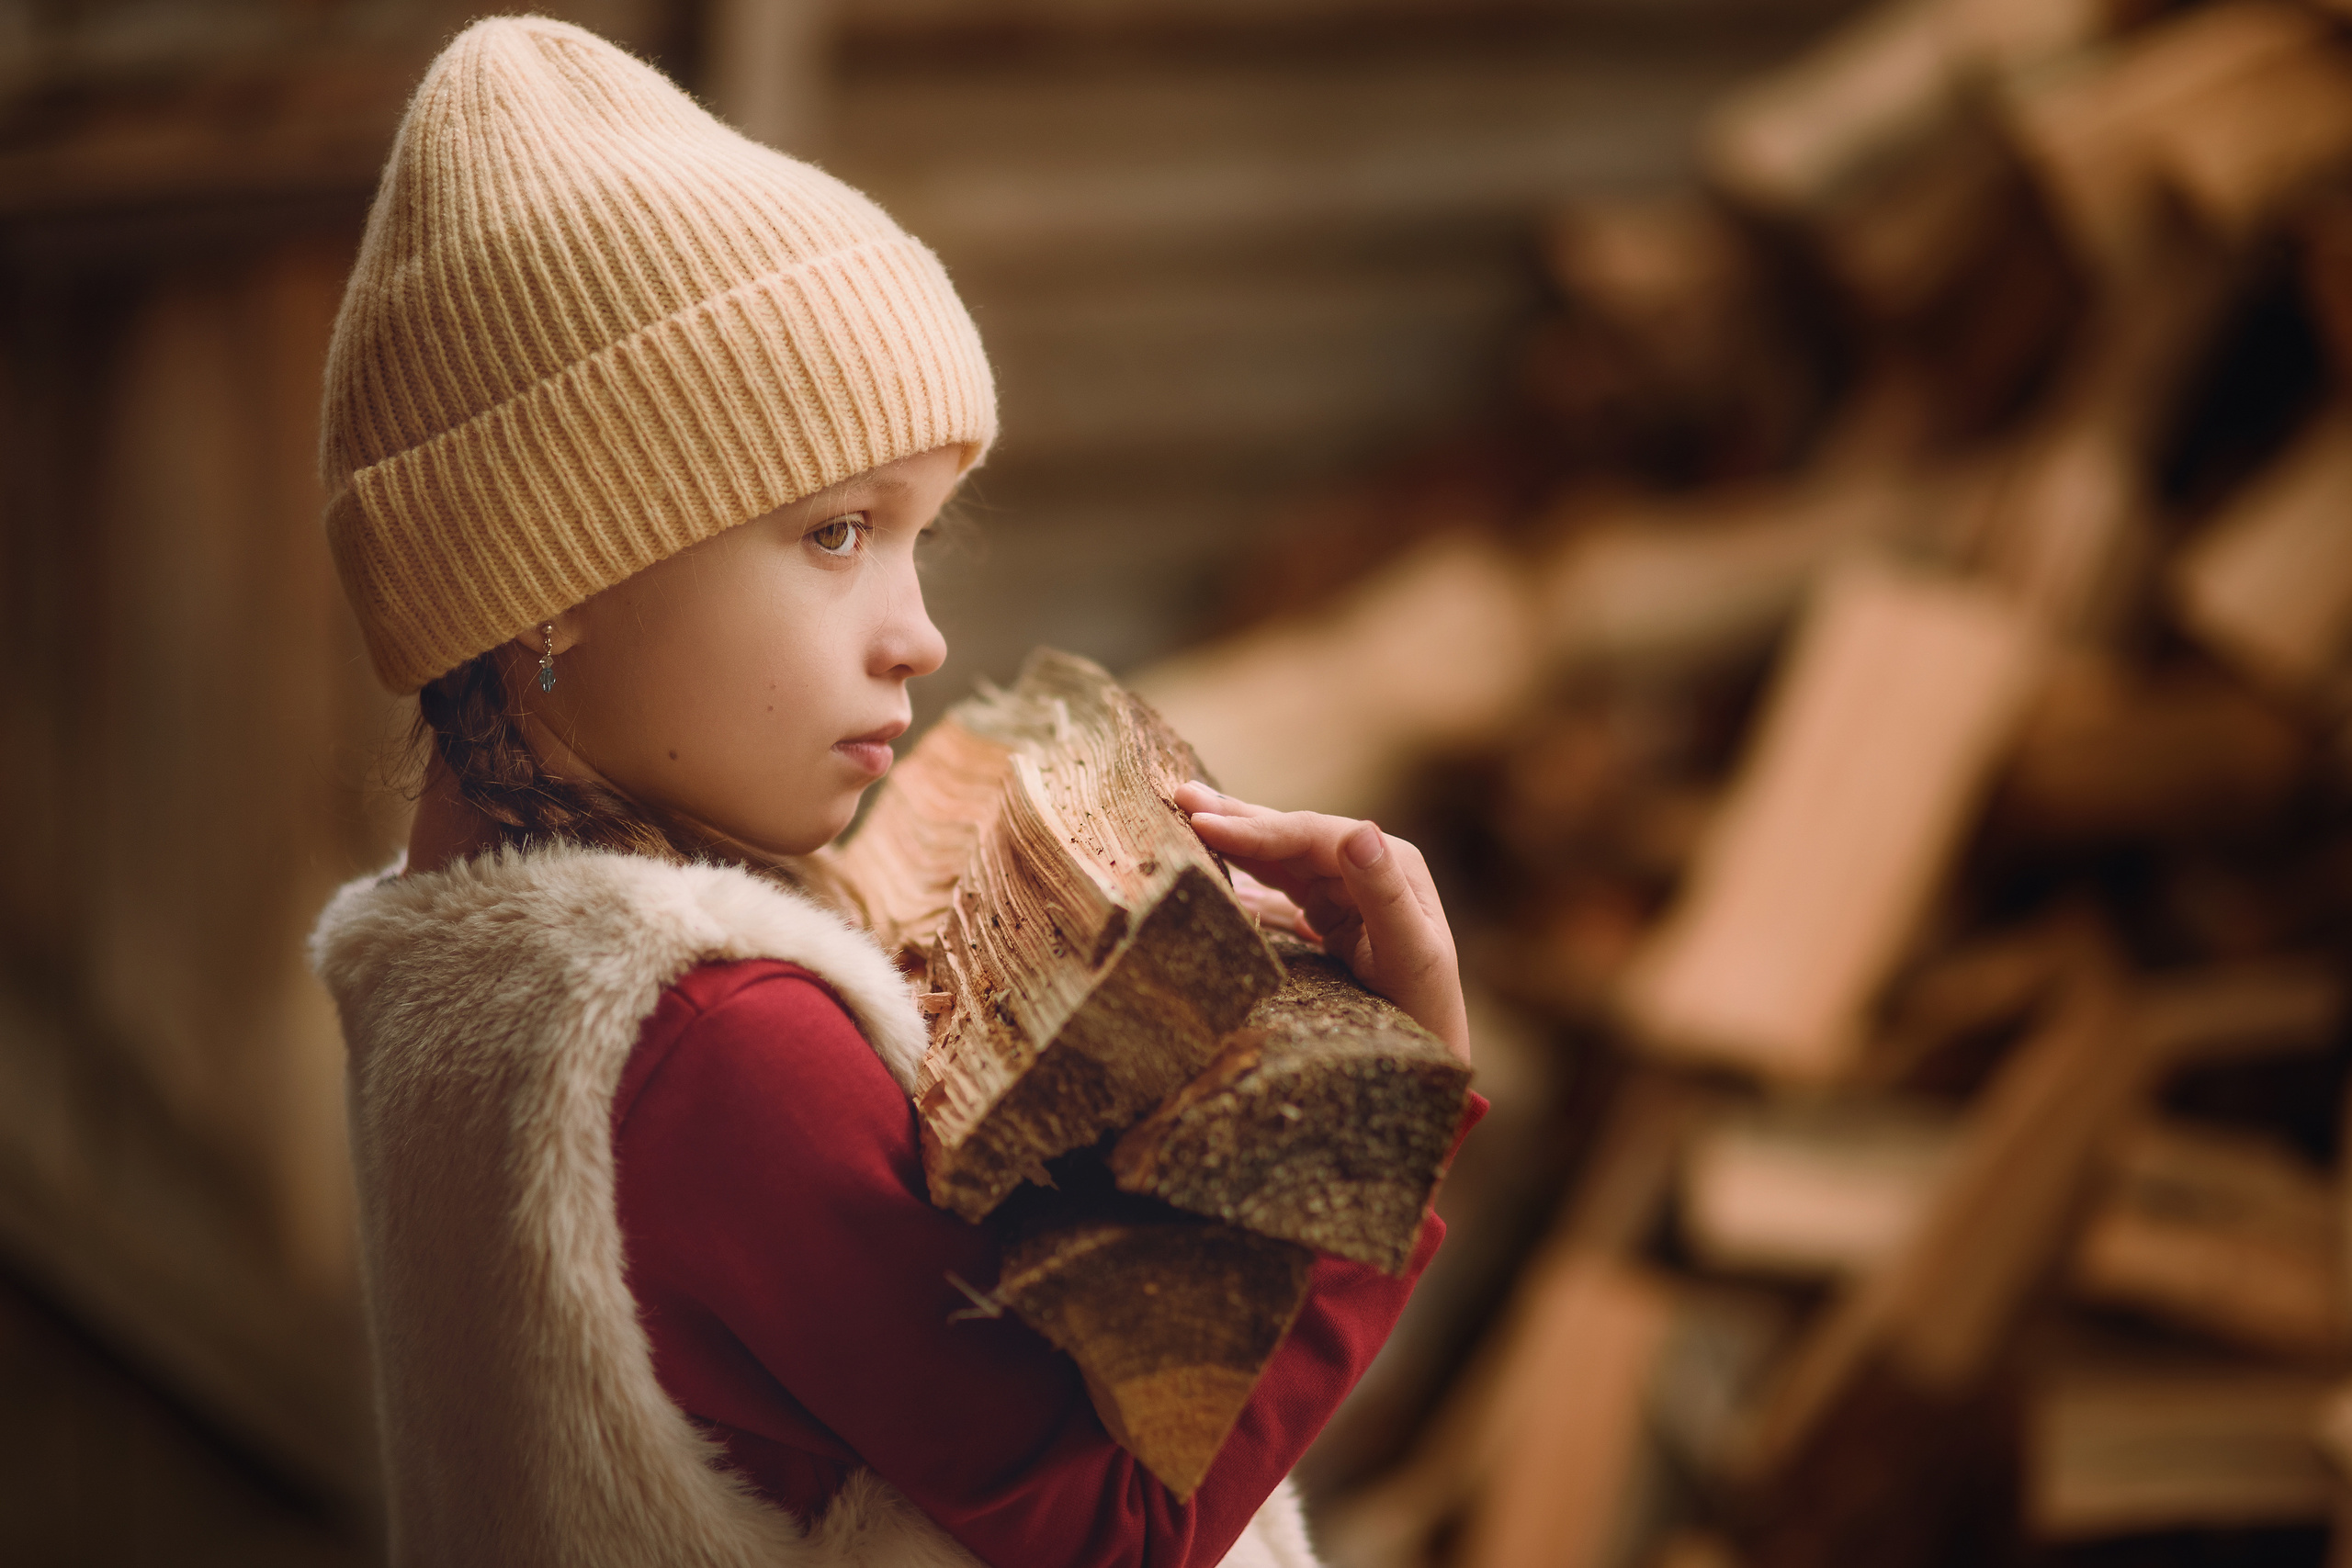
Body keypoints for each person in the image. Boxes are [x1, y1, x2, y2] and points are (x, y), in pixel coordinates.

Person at [308, 17, 1483, 1568]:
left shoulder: (464, 962)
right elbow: (1111, 1531)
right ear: (553, 571)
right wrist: (1372, 1120)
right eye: (837, 533)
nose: (920, 635)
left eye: (926, 536)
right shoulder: (713, 1044)